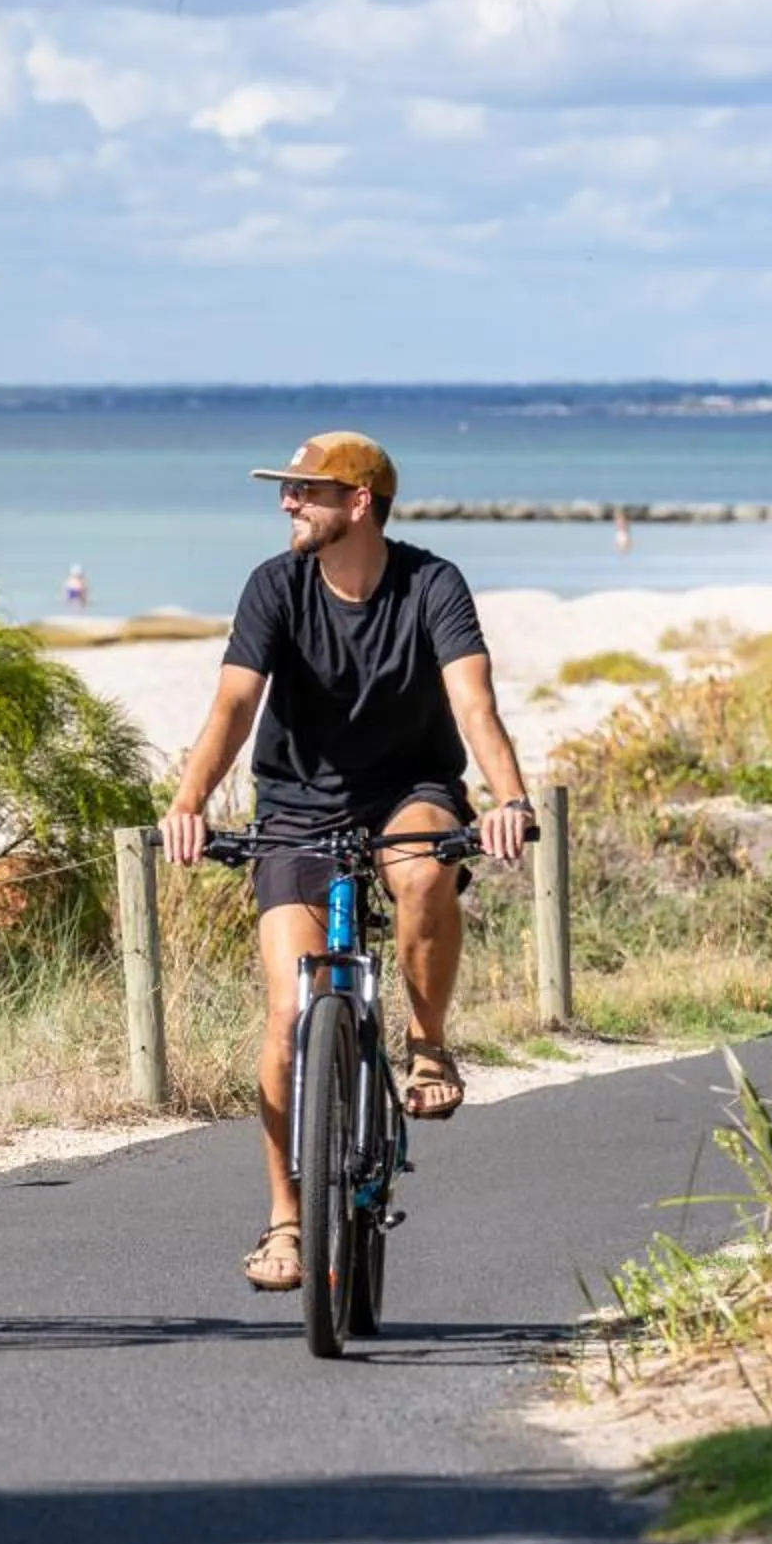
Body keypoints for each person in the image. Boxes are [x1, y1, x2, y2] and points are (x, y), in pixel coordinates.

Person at [157, 432, 535, 1293]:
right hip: (297, 804)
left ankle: (428, 1046)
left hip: (409, 790)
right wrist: (187, 805)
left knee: (425, 871)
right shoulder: (275, 586)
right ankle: (286, 1220)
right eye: (286, 489)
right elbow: (233, 706)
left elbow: (474, 703)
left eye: (306, 490)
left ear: (358, 503)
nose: (287, 502)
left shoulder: (432, 584)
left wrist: (510, 800)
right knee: (288, 1014)